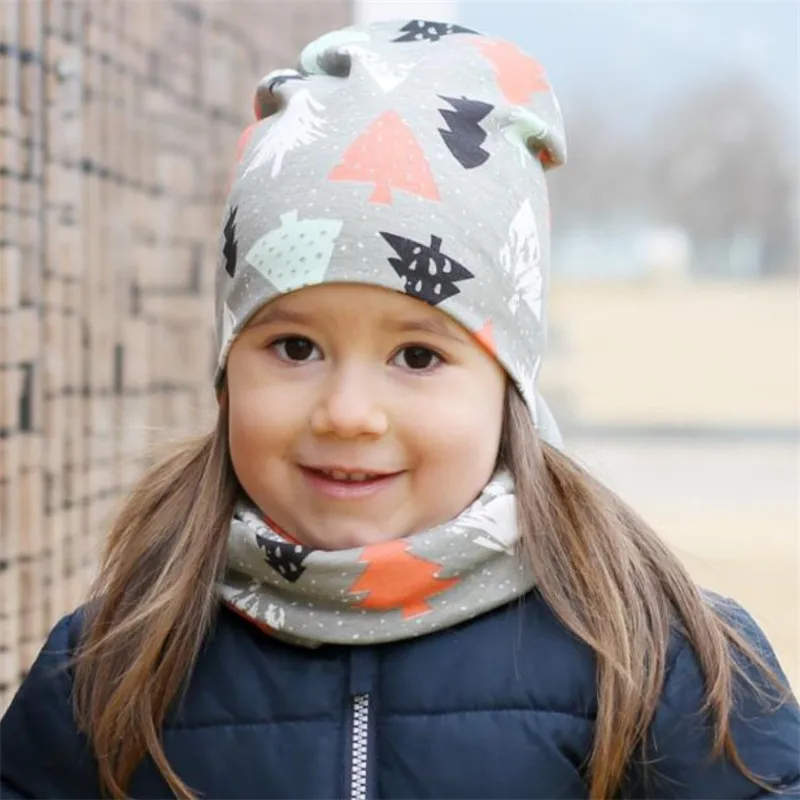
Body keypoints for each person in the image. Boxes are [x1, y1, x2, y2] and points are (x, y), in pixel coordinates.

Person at [1, 18, 798, 800]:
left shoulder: (656, 662)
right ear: (226, 371)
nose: (348, 413)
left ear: (509, 388)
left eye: (417, 357)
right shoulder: (111, 662)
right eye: (295, 347)